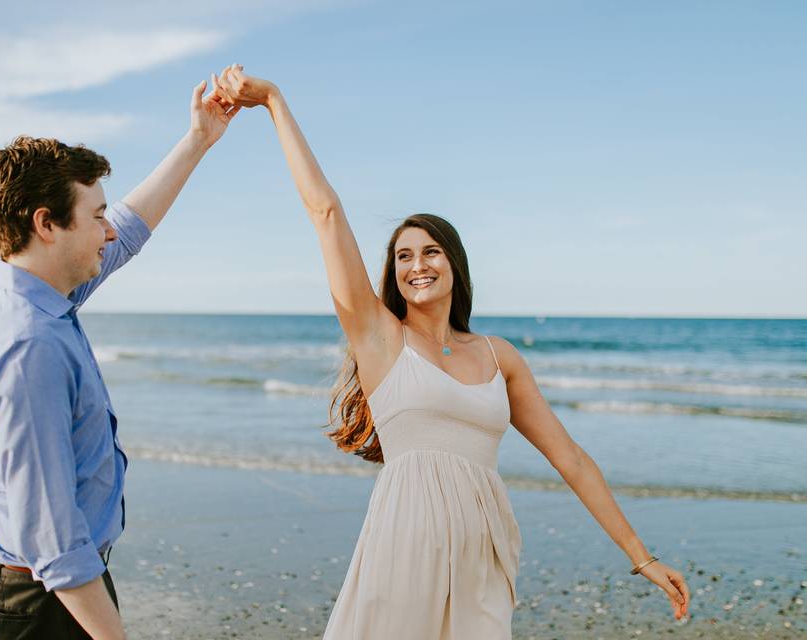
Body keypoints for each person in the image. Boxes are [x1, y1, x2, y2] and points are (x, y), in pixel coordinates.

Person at [212, 65, 691, 639]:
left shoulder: (500, 356)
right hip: (403, 547)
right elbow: (325, 213)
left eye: (431, 252)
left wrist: (642, 557)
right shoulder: (379, 336)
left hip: (485, 552)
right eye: (404, 256)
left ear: (454, 264)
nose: (417, 266)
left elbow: (572, 459)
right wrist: (273, 103)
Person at [0, 80, 239, 639]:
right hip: (42, 596)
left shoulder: (24, 288)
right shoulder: (27, 347)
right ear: (46, 224)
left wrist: (199, 140)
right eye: (95, 216)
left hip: (51, 577)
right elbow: (54, 541)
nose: (108, 230)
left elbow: (129, 234)